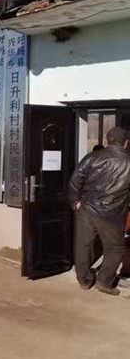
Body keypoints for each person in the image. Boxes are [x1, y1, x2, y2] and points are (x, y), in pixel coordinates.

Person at [69, 127, 130, 296]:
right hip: (113, 214)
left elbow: (75, 180)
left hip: (87, 209)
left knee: (83, 245)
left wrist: (75, 202)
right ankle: (104, 282)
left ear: (106, 141)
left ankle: (84, 280)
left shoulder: (92, 157)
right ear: (126, 143)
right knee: (115, 249)